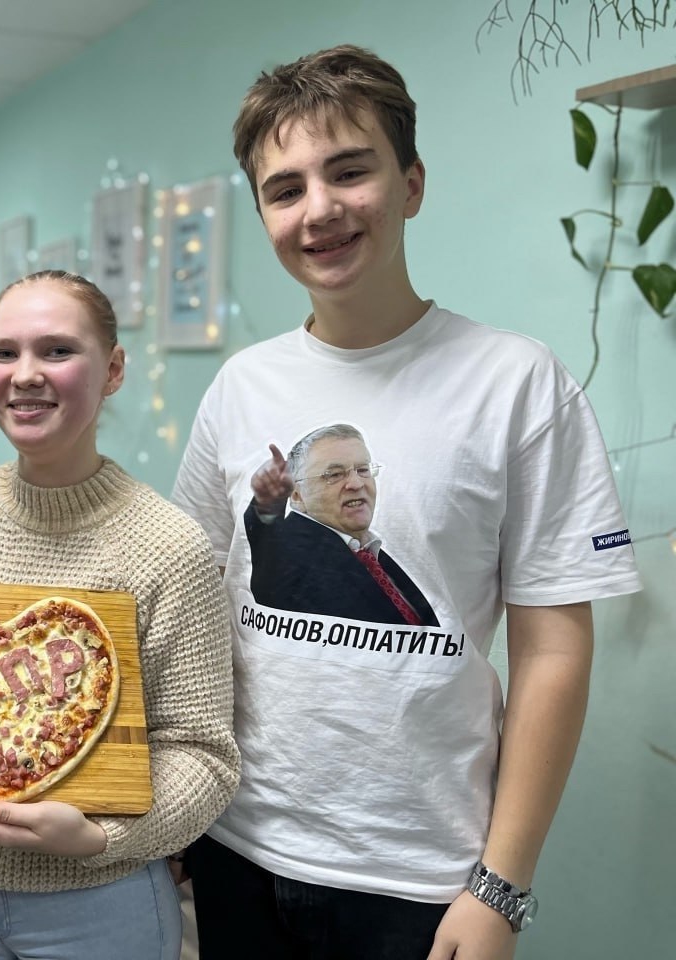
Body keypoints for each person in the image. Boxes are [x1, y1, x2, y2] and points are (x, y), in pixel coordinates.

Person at [171, 46, 641, 960]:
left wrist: (500, 887)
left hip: (420, 881)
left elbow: (553, 651)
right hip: (235, 849)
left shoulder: (517, 384)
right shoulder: (240, 387)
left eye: (350, 171)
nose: (320, 209)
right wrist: (180, 805)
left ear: (412, 183)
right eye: (285, 189)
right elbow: (194, 603)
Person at [0, 269, 239, 960]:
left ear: (113, 370)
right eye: (4, 352)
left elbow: (204, 756)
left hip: (100, 903)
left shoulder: (169, 545)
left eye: (57, 350)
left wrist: (101, 836)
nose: (25, 375)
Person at [245, 423, 438, 625]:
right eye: (334, 475)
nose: (357, 483)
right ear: (297, 495)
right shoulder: (289, 554)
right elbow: (268, 563)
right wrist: (267, 504)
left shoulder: (371, 554)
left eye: (363, 470)